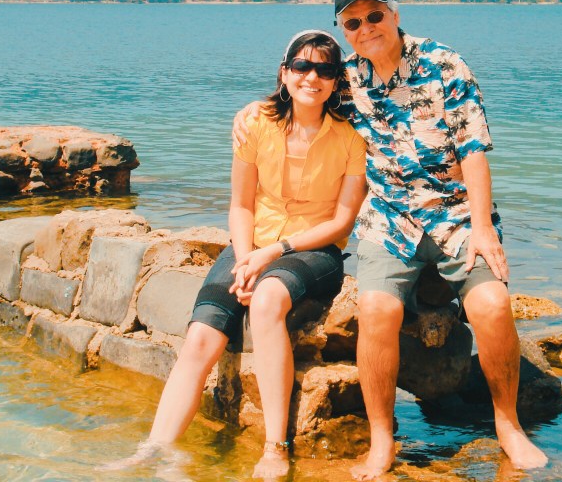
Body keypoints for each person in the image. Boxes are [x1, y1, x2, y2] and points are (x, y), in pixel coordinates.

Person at [235, 0, 548, 478]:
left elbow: (473, 151)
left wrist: (484, 229)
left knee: (492, 305)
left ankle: (507, 425)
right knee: (377, 309)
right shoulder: (347, 78)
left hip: (455, 214)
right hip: (389, 219)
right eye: (353, 22)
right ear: (345, 30)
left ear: (395, 14)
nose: (365, 28)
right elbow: (301, 95)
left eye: (374, 15)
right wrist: (255, 108)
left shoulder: (444, 65)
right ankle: (382, 439)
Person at [102, 30, 366, 479]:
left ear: (337, 80)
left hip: (314, 250)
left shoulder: (351, 137)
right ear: (284, 73)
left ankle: (275, 447)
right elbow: (241, 206)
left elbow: (341, 224)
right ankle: (157, 449)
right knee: (202, 335)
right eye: (302, 66)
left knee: (266, 301)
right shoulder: (255, 123)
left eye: (325, 69)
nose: (312, 77)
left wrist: (272, 254)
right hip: (251, 243)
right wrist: (245, 259)